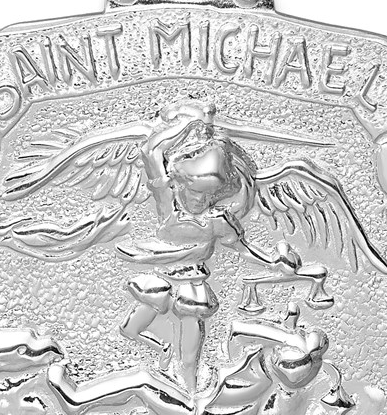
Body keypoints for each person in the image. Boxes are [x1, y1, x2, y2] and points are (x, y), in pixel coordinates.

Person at [116, 103, 302, 390]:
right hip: (161, 280)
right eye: (195, 191)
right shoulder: (167, 205)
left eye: (210, 195)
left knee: (190, 355)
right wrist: (187, 126)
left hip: (192, 287)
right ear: (180, 183)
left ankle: (190, 394)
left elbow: (242, 248)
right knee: (129, 330)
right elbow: (150, 151)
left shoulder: (218, 221)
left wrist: (273, 262)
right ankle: (163, 350)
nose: (201, 201)